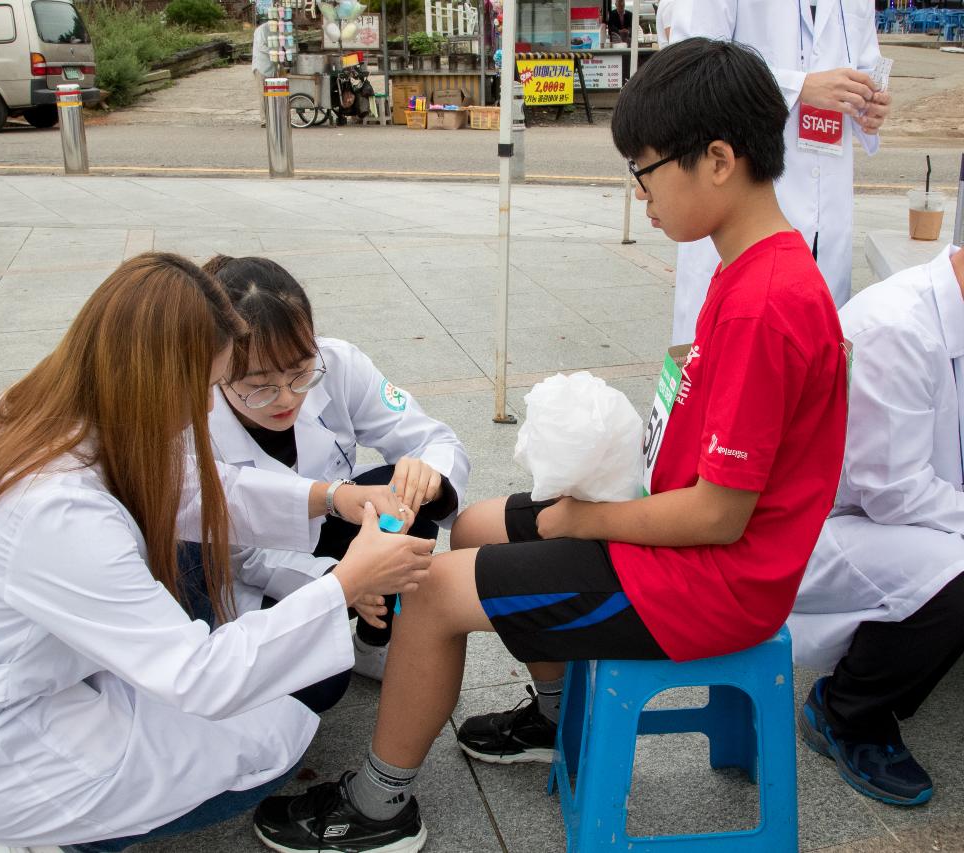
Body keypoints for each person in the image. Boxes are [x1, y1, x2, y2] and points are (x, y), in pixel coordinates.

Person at [250, 38, 848, 851]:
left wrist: (582, 520)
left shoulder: (763, 303)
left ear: (717, 159)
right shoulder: (750, 270)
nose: (640, 194)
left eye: (644, 169)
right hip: (681, 546)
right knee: (483, 520)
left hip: (707, 582)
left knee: (431, 590)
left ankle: (378, 807)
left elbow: (716, 515)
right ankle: (555, 714)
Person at [0, 253, 433, 853]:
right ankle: (48, 842)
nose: (206, 409)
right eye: (206, 388)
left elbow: (193, 488)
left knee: (277, 700)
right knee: (270, 740)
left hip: (20, 687)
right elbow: (197, 677)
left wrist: (332, 497)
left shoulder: (48, 407)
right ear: (159, 379)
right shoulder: (52, 510)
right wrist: (346, 583)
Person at [201, 255, 470, 684]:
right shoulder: (195, 417)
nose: (287, 398)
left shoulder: (339, 362)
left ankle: (374, 641)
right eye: (258, 386)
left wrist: (430, 477)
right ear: (217, 367)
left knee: (402, 491)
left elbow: (431, 439)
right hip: (255, 560)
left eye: (300, 372)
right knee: (321, 686)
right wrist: (338, 582)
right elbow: (237, 553)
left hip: (336, 518)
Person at [789, 243, 964, 808]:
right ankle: (847, 712)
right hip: (823, 531)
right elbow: (894, 492)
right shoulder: (899, 328)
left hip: (887, 512)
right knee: (959, 575)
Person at [667, 0, 892, 345]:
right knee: (730, 359)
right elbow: (692, 64)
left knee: (811, 359)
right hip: (745, 197)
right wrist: (799, 86)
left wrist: (870, 105)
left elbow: (865, 64)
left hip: (828, 214)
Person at [252, 19, 275, 128]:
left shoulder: (276, 31)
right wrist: (275, 52)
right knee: (262, 94)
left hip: (271, 66)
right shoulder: (261, 30)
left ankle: (272, 116)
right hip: (261, 66)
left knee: (271, 94)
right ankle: (264, 119)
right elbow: (261, 46)